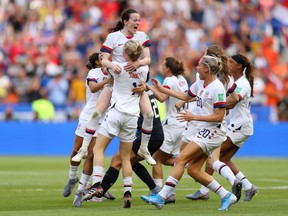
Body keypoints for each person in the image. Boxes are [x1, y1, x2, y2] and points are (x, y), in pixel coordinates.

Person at [141, 55, 238, 211]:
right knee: (193, 170)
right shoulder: (200, 83)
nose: (196, 67)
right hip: (203, 130)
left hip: (213, 131)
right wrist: (160, 89)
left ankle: (161, 197)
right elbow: (186, 96)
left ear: (206, 69)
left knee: (180, 159)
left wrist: (194, 116)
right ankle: (227, 196)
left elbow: (220, 116)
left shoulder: (217, 88)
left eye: (199, 65)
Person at [72, 8, 155, 165]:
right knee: (96, 113)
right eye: (135, 20)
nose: (138, 22)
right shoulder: (113, 37)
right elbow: (104, 60)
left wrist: (138, 62)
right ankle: (83, 148)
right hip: (116, 81)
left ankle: (144, 148)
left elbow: (148, 59)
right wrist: (111, 64)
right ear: (126, 21)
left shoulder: (142, 36)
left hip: (135, 82)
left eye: (139, 20)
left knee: (149, 115)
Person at [82, 40, 149, 208]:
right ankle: (127, 193)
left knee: (98, 148)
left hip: (116, 113)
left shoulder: (117, 67)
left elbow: (103, 61)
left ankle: (97, 184)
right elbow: (143, 79)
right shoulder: (144, 69)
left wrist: (110, 60)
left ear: (125, 54)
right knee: (125, 157)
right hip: (132, 117)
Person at [186, 44, 242, 201]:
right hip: (216, 122)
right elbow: (236, 97)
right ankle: (233, 182)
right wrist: (224, 106)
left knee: (185, 158)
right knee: (212, 160)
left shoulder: (205, 75)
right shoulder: (226, 76)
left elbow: (200, 94)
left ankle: (168, 191)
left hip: (205, 121)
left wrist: (220, 107)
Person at [90, 87, 164, 202]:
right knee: (130, 161)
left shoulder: (135, 89)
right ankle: (155, 189)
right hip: (156, 134)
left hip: (149, 134)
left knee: (118, 160)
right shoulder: (144, 87)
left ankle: (100, 191)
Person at [63, 52, 113, 201]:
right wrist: (108, 81)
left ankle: (81, 190)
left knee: (92, 154)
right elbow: (93, 88)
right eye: (102, 58)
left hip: (103, 118)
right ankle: (72, 177)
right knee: (77, 149)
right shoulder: (94, 72)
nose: (106, 59)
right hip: (89, 115)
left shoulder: (113, 71)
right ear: (98, 62)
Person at [145, 56, 188, 203]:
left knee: (156, 157)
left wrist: (149, 87)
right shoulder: (182, 79)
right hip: (183, 125)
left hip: (172, 125)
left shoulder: (169, 80)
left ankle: (158, 191)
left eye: (163, 65)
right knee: (172, 159)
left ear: (168, 68)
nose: (161, 67)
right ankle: (171, 193)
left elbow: (162, 98)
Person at [219, 53, 258, 201]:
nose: (228, 63)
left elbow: (233, 101)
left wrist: (216, 104)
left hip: (240, 126)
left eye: (231, 61)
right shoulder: (237, 81)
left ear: (239, 66)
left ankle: (207, 188)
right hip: (239, 124)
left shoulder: (242, 83)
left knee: (214, 155)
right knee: (223, 158)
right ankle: (248, 186)